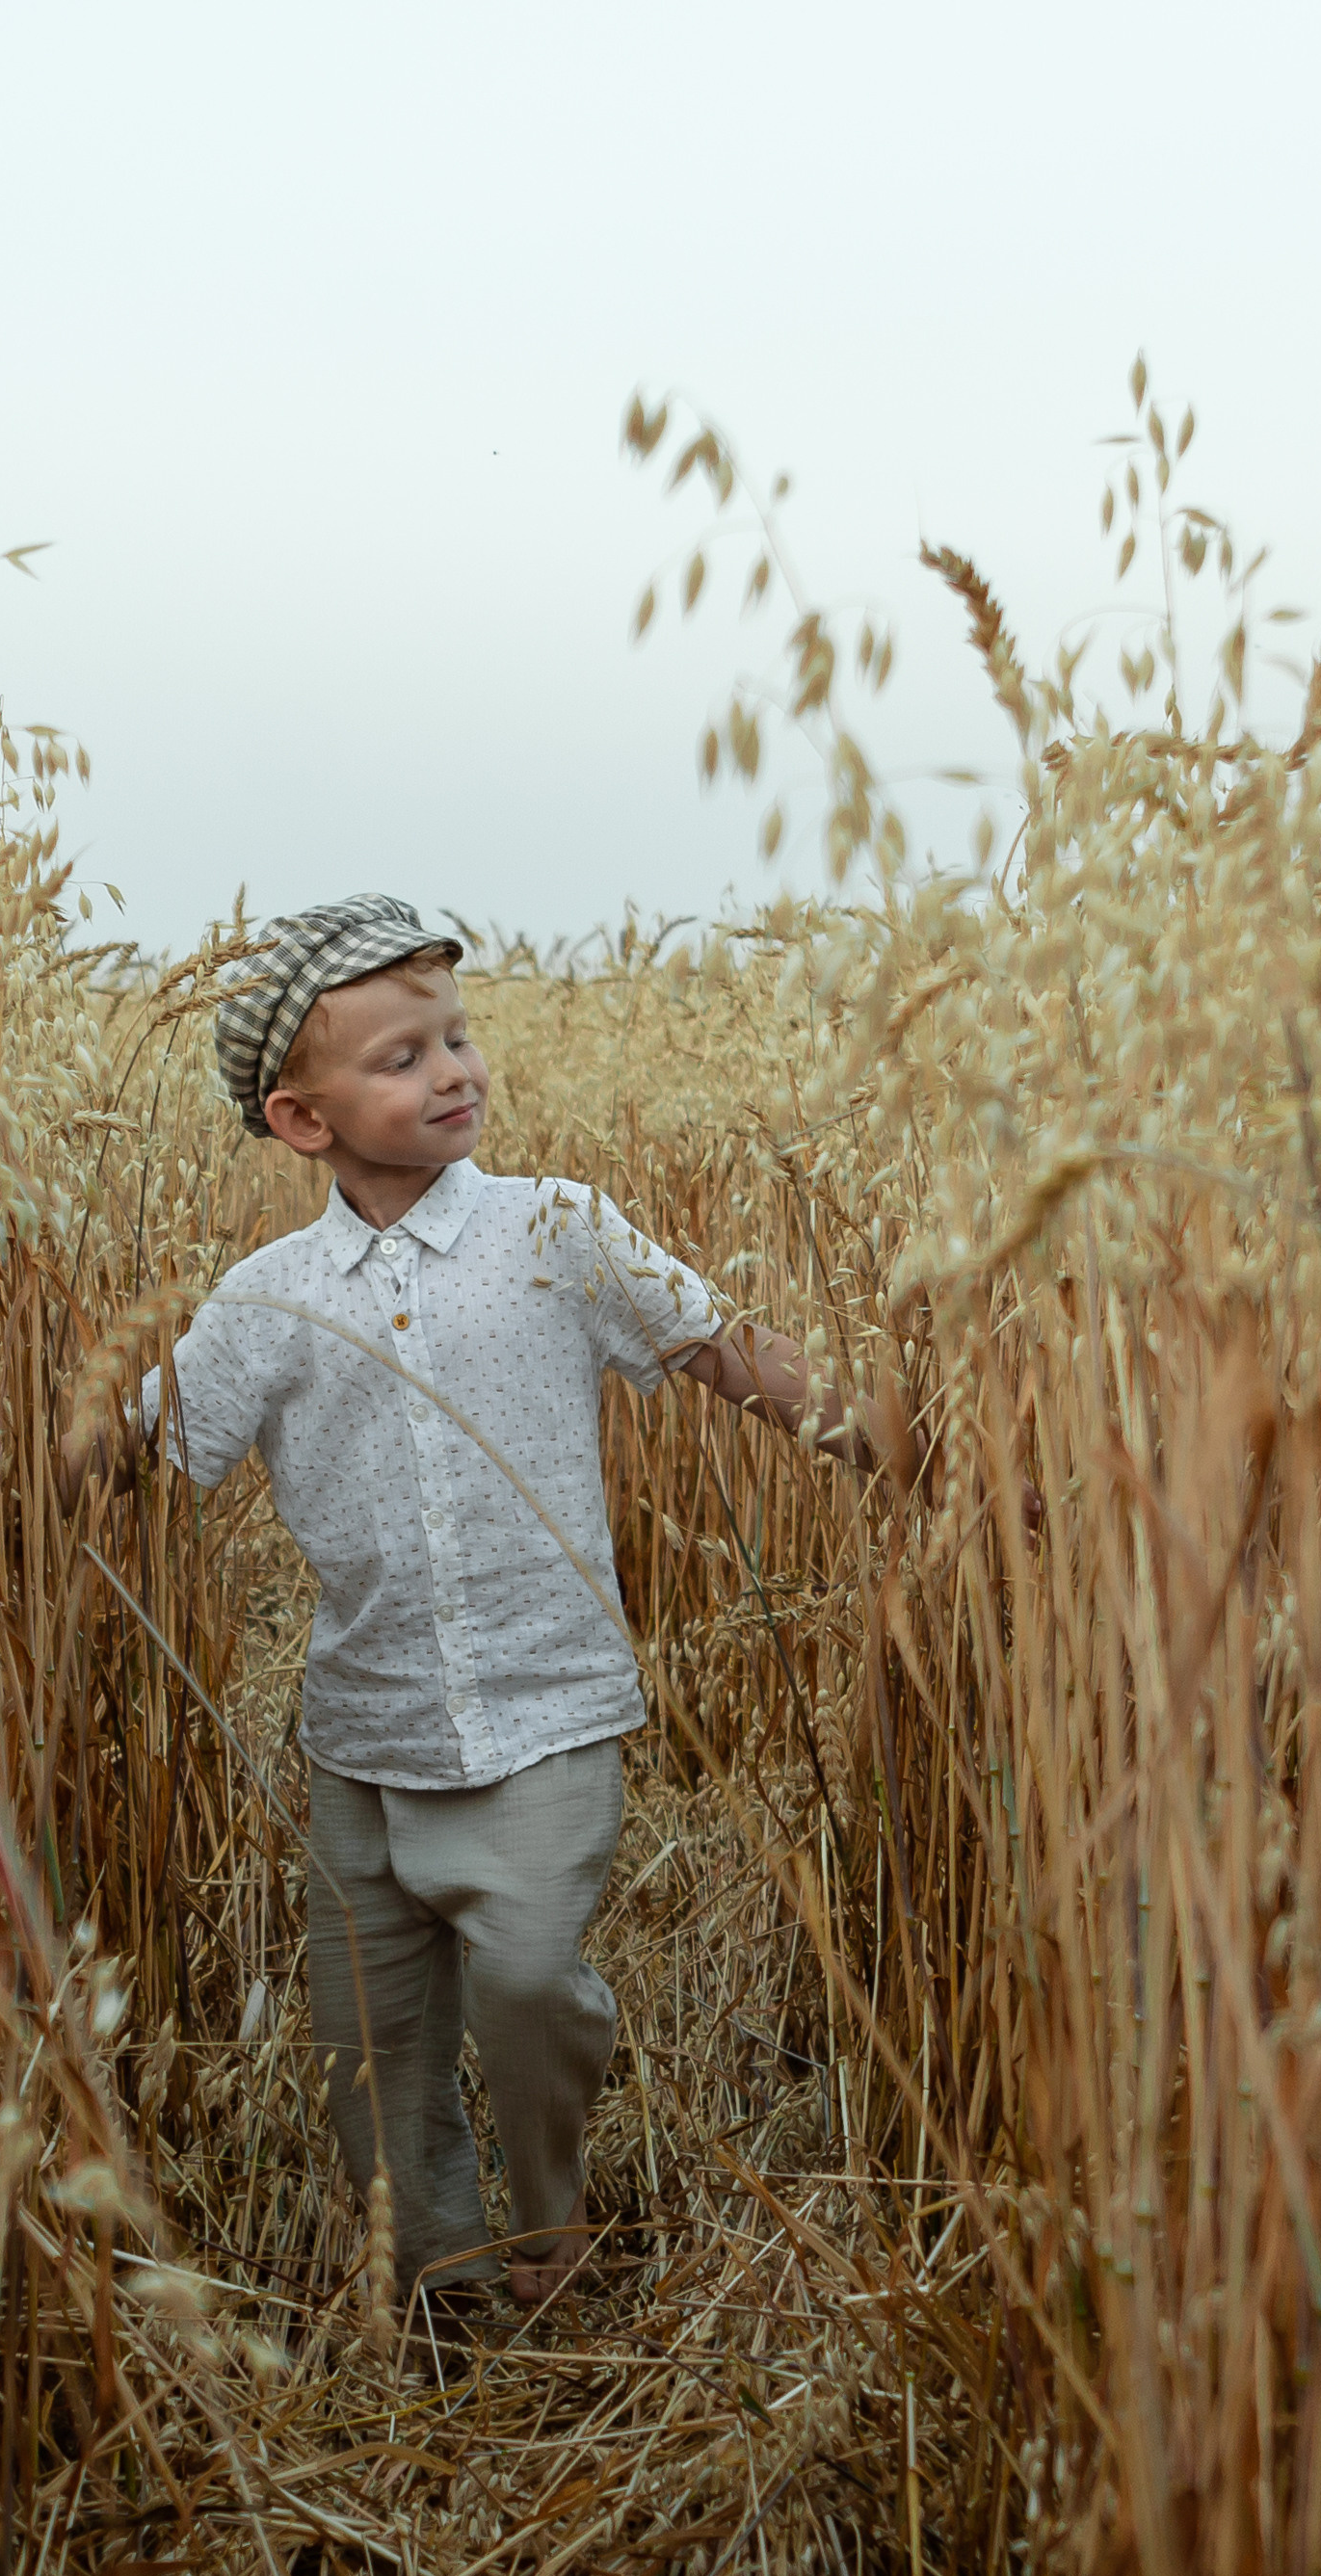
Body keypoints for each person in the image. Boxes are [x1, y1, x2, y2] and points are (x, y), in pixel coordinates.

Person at [61, 894, 868, 2306]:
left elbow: (725, 1350)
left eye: (458, 1037)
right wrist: (8, 1430)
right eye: (402, 1055)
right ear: (302, 1121)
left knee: (529, 1976)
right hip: (362, 1737)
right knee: (371, 2050)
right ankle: (444, 2280)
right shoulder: (267, 1298)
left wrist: (907, 1446)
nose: (454, 1071)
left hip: (548, 1709)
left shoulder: (558, 1229)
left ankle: (552, 2223)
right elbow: (134, 1452)